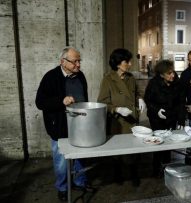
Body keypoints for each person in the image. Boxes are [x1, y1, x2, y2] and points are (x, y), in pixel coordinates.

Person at [35, 47, 94, 201]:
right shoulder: (50, 77)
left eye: (79, 61)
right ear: (63, 61)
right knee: (61, 162)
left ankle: (79, 181)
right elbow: (40, 102)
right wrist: (61, 101)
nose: (78, 64)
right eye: (75, 61)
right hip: (59, 126)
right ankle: (62, 187)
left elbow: (84, 98)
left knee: (81, 156)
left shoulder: (80, 76)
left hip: (80, 125)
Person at [97, 48, 146, 187]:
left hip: (132, 120)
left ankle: (134, 174)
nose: (130, 64)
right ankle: (117, 174)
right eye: (127, 61)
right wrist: (116, 109)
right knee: (118, 151)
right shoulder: (108, 79)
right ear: (118, 63)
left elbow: (137, 93)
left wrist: (141, 99)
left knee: (134, 149)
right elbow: (101, 102)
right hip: (117, 122)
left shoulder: (130, 78)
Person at [144, 59, 185, 176]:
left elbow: (181, 102)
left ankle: (167, 168)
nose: (172, 75)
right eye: (169, 73)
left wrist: (181, 119)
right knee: (158, 142)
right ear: (161, 74)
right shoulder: (153, 83)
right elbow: (148, 100)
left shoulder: (177, 83)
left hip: (171, 117)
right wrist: (157, 111)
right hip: (156, 118)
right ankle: (156, 169)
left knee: (169, 143)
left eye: (173, 72)